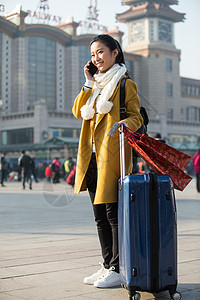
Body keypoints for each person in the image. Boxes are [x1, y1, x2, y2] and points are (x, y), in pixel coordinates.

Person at [72, 34, 143, 288]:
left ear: (115, 52)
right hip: (91, 156)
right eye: (93, 54)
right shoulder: (95, 84)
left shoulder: (125, 84)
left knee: (113, 214)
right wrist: (88, 82)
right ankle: (106, 265)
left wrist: (126, 122)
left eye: (101, 52)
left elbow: (137, 118)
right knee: (99, 215)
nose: (96, 58)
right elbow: (77, 110)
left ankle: (116, 267)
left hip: (112, 154)